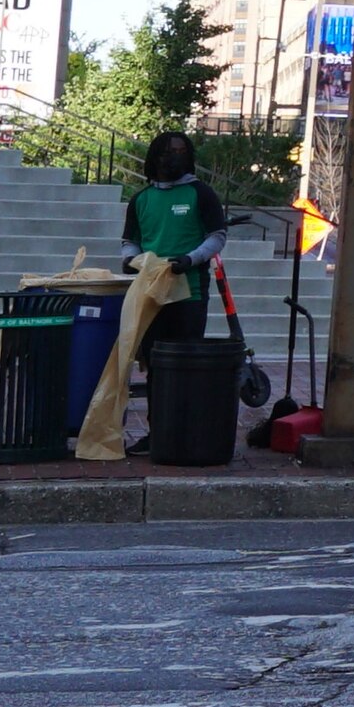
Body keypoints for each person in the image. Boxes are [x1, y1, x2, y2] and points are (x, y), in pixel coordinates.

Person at [72, 134, 234, 462]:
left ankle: (185, 430)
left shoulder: (200, 193)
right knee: (156, 365)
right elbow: (129, 241)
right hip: (149, 294)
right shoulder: (141, 199)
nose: (171, 158)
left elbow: (217, 236)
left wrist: (189, 260)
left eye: (179, 152)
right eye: (166, 152)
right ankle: (157, 430)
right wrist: (132, 260)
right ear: (154, 157)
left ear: (188, 157)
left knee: (185, 364)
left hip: (189, 292)